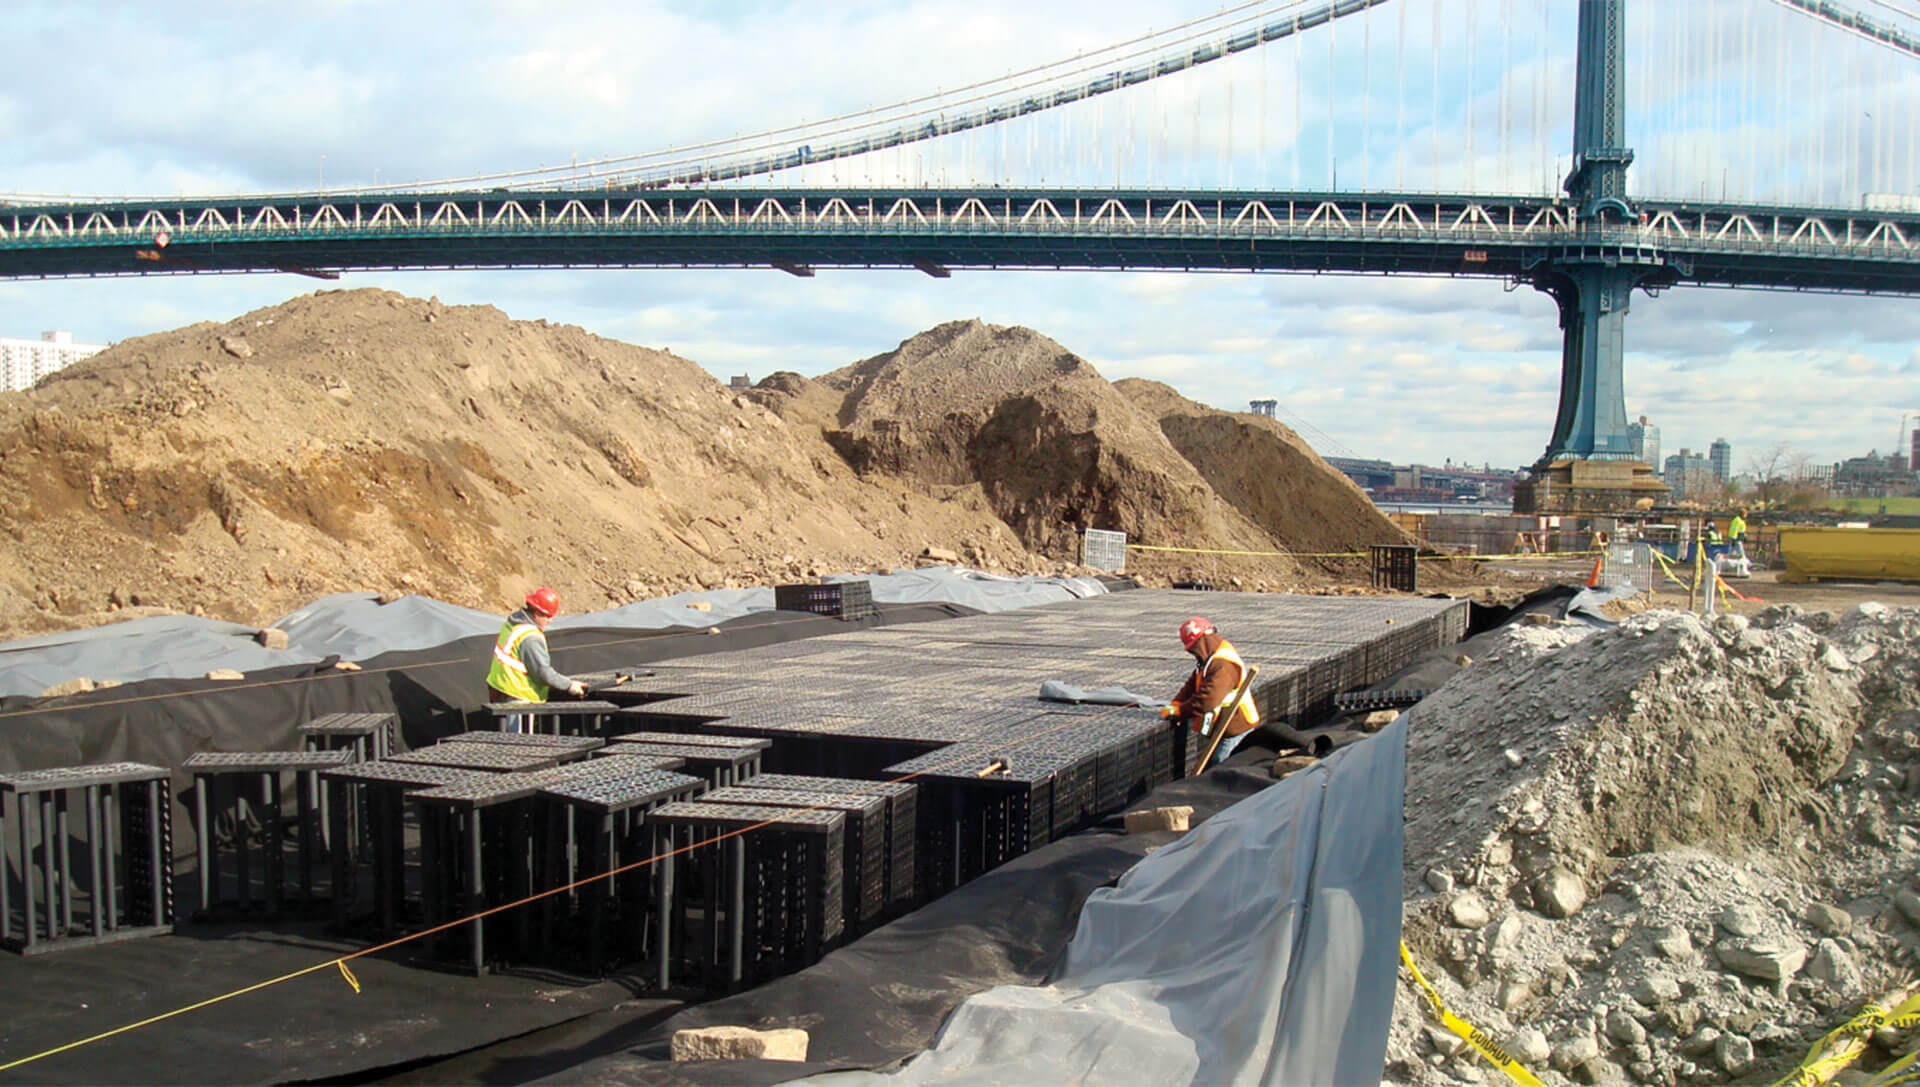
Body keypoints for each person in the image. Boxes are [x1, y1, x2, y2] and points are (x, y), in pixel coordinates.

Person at [1161, 616, 1261, 770]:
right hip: (1224, 726)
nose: (1193, 653)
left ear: (1202, 641)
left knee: (1221, 769)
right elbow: (1193, 683)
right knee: (1216, 767)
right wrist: (1176, 703)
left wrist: (1180, 711)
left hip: (1235, 727)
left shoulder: (1222, 664)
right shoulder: (1210, 658)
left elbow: (1207, 700)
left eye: (1193, 648)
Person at [485, 586, 585, 733]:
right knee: (520, 745)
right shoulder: (530, 637)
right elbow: (542, 672)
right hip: (518, 696)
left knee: (507, 741)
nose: (550, 621)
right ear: (537, 613)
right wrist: (569, 685)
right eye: (547, 616)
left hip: (500, 688)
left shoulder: (513, 623)